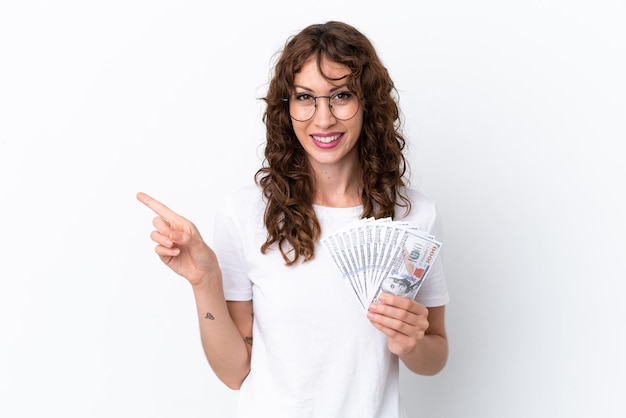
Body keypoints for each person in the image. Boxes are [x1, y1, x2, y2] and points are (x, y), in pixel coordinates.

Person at [137, 20, 449, 418]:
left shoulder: (414, 216)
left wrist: (412, 344)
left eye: (341, 95)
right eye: (305, 97)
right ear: (286, 108)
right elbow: (235, 371)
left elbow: (435, 355)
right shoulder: (245, 213)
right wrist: (205, 282)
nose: (323, 119)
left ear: (368, 102)